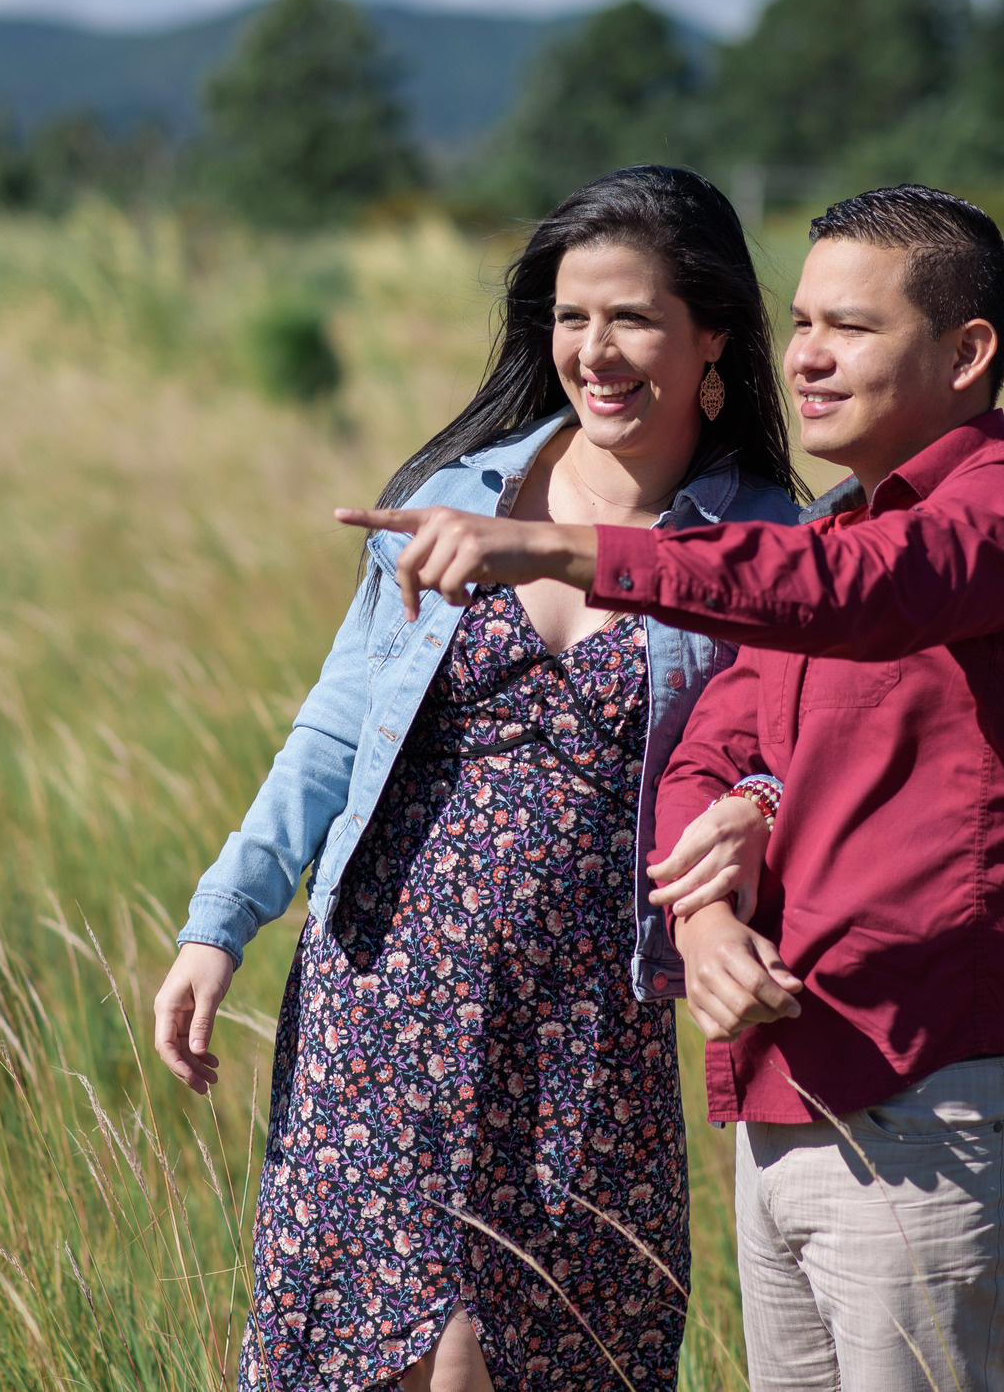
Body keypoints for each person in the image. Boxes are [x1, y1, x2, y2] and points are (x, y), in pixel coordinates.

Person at [345, 185, 1004, 1391]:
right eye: (801, 321)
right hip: (782, 1094)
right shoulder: (826, 532)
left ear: (966, 352)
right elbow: (707, 750)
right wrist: (705, 919)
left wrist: (558, 546)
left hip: (938, 1101)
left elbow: (861, 593)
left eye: (850, 327)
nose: (804, 354)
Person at [152, 166, 808, 1392]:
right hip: (383, 991)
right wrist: (219, 920)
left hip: (585, 1026)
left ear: (712, 332)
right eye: (571, 317)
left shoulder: (772, 542)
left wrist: (755, 807)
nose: (594, 352)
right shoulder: (456, 494)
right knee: (377, 1358)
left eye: (633, 318)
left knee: (533, 1357)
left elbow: (798, 744)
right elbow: (335, 726)